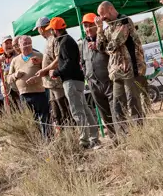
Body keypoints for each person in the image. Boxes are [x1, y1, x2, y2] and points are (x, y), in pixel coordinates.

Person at [45, 17, 100, 148]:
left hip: (71, 81)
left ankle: (84, 141)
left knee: (77, 111)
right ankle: (93, 137)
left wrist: (56, 72)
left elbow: (68, 63)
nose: (51, 32)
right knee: (85, 109)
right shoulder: (67, 40)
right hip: (77, 80)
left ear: (55, 30)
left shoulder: (64, 42)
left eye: (51, 30)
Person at [96, 1, 147, 129]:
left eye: (103, 14)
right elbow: (100, 46)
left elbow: (115, 43)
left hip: (131, 69)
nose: (102, 18)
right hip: (116, 71)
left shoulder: (124, 21)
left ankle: (141, 134)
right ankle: (125, 136)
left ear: (111, 9)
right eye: (100, 16)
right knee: (118, 106)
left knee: (133, 102)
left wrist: (107, 48)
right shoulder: (108, 27)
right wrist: (99, 29)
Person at [7, 36, 50, 136]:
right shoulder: (15, 60)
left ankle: (48, 139)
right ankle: (37, 140)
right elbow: (8, 79)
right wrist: (15, 75)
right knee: (31, 120)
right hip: (24, 95)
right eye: (24, 44)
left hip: (40, 92)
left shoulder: (39, 56)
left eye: (28, 43)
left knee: (45, 118)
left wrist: (37, 78)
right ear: (19, 46)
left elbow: (47, 71)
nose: (26, 46)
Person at [35, 17, 74, 128]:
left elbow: (59, 59)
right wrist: (42, 62)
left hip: (57, 82)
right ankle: (64, 134)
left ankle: (72, 132)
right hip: (50, 84)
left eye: (38, 29)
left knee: (64, 109)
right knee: (56, 112)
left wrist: (44, 70)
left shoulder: (54, 39)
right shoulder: (48, 40)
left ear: (41, 29)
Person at [81, 12, 115, 136]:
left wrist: (98, 47)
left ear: (97, 24)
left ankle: (123, 136)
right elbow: (83, 62)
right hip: (93, 82)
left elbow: (113, 52)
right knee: (103, 112)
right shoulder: (84, 42)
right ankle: (113, 137)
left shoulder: (105, 36)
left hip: (108, 79)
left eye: (90, 25)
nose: (88, 29)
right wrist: (87, 76)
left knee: (115, 109)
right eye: (86, 26)